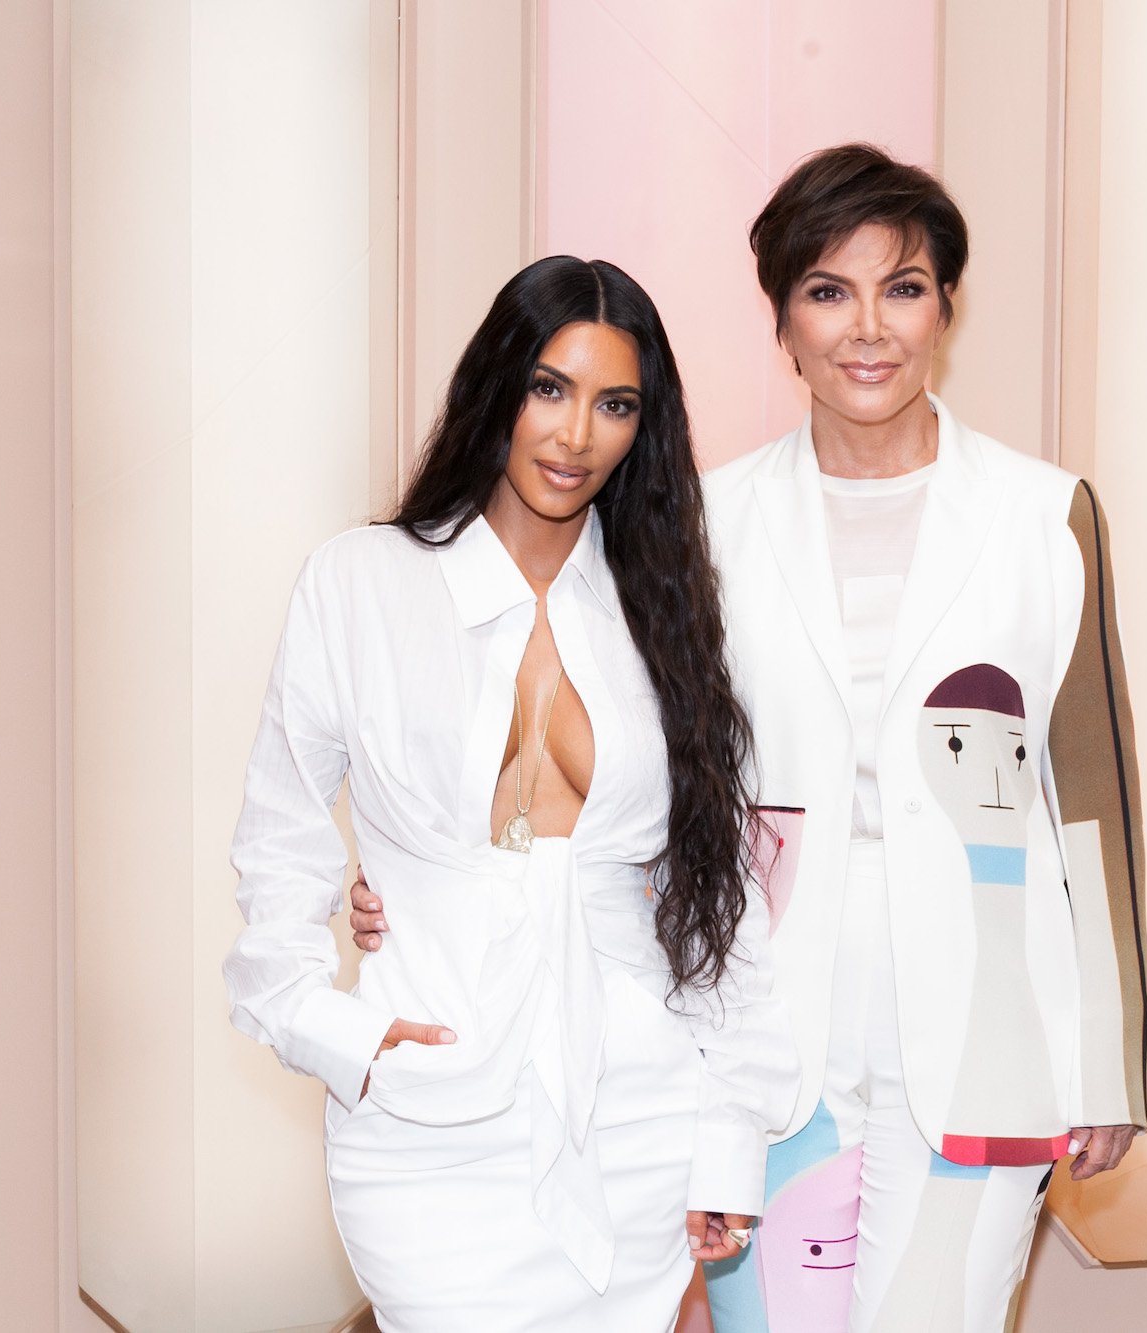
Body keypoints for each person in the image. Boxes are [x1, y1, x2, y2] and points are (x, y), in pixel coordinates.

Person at [356, 144, 1147, 1331]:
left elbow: (1089, 797)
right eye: (827, 290)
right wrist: (425, 884)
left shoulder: (1045, 515)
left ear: (946, 306)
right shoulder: (704, 523)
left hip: (993, 1023)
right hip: (756, 1034)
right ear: (780, 319)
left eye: (904, 286)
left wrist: (1113, 1057)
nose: (866, 327)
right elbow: (598, 755)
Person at [225, 255, 796, 1332]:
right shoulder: (360, 583)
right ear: (495, 385)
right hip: (427, 1111)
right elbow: (282, 837)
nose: (575, 433)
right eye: (548, 387)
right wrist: (330, 1026)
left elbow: (716, 903)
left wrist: (726, 1141)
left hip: (635, 1109)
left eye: (614, 404)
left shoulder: (663, 613)